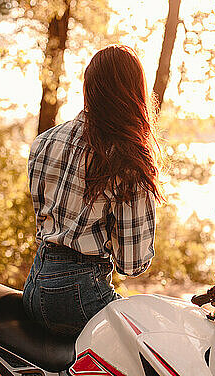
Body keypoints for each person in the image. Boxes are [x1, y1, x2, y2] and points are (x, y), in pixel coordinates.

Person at [22, 45, 163, 336]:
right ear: (134, 93)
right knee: (151, 344)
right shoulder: (128, 161)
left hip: (35, 286)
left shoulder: (44, 142)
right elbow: (132, 264)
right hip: (79, 296)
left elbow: (43, 218)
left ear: (89, 87)